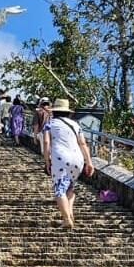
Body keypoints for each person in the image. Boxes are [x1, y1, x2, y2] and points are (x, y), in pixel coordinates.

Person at [42, 98, 94, 229]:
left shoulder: (50, 124)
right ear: (68, 112)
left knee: (59, 189)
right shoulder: (76, 125)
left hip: (60, 158)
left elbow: (47, 142)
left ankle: (66, 219)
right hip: (77, 158)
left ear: (54, 112)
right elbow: (83, 143)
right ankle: (69, 215)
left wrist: (47, 160)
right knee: (70, 188)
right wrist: (89, 162)